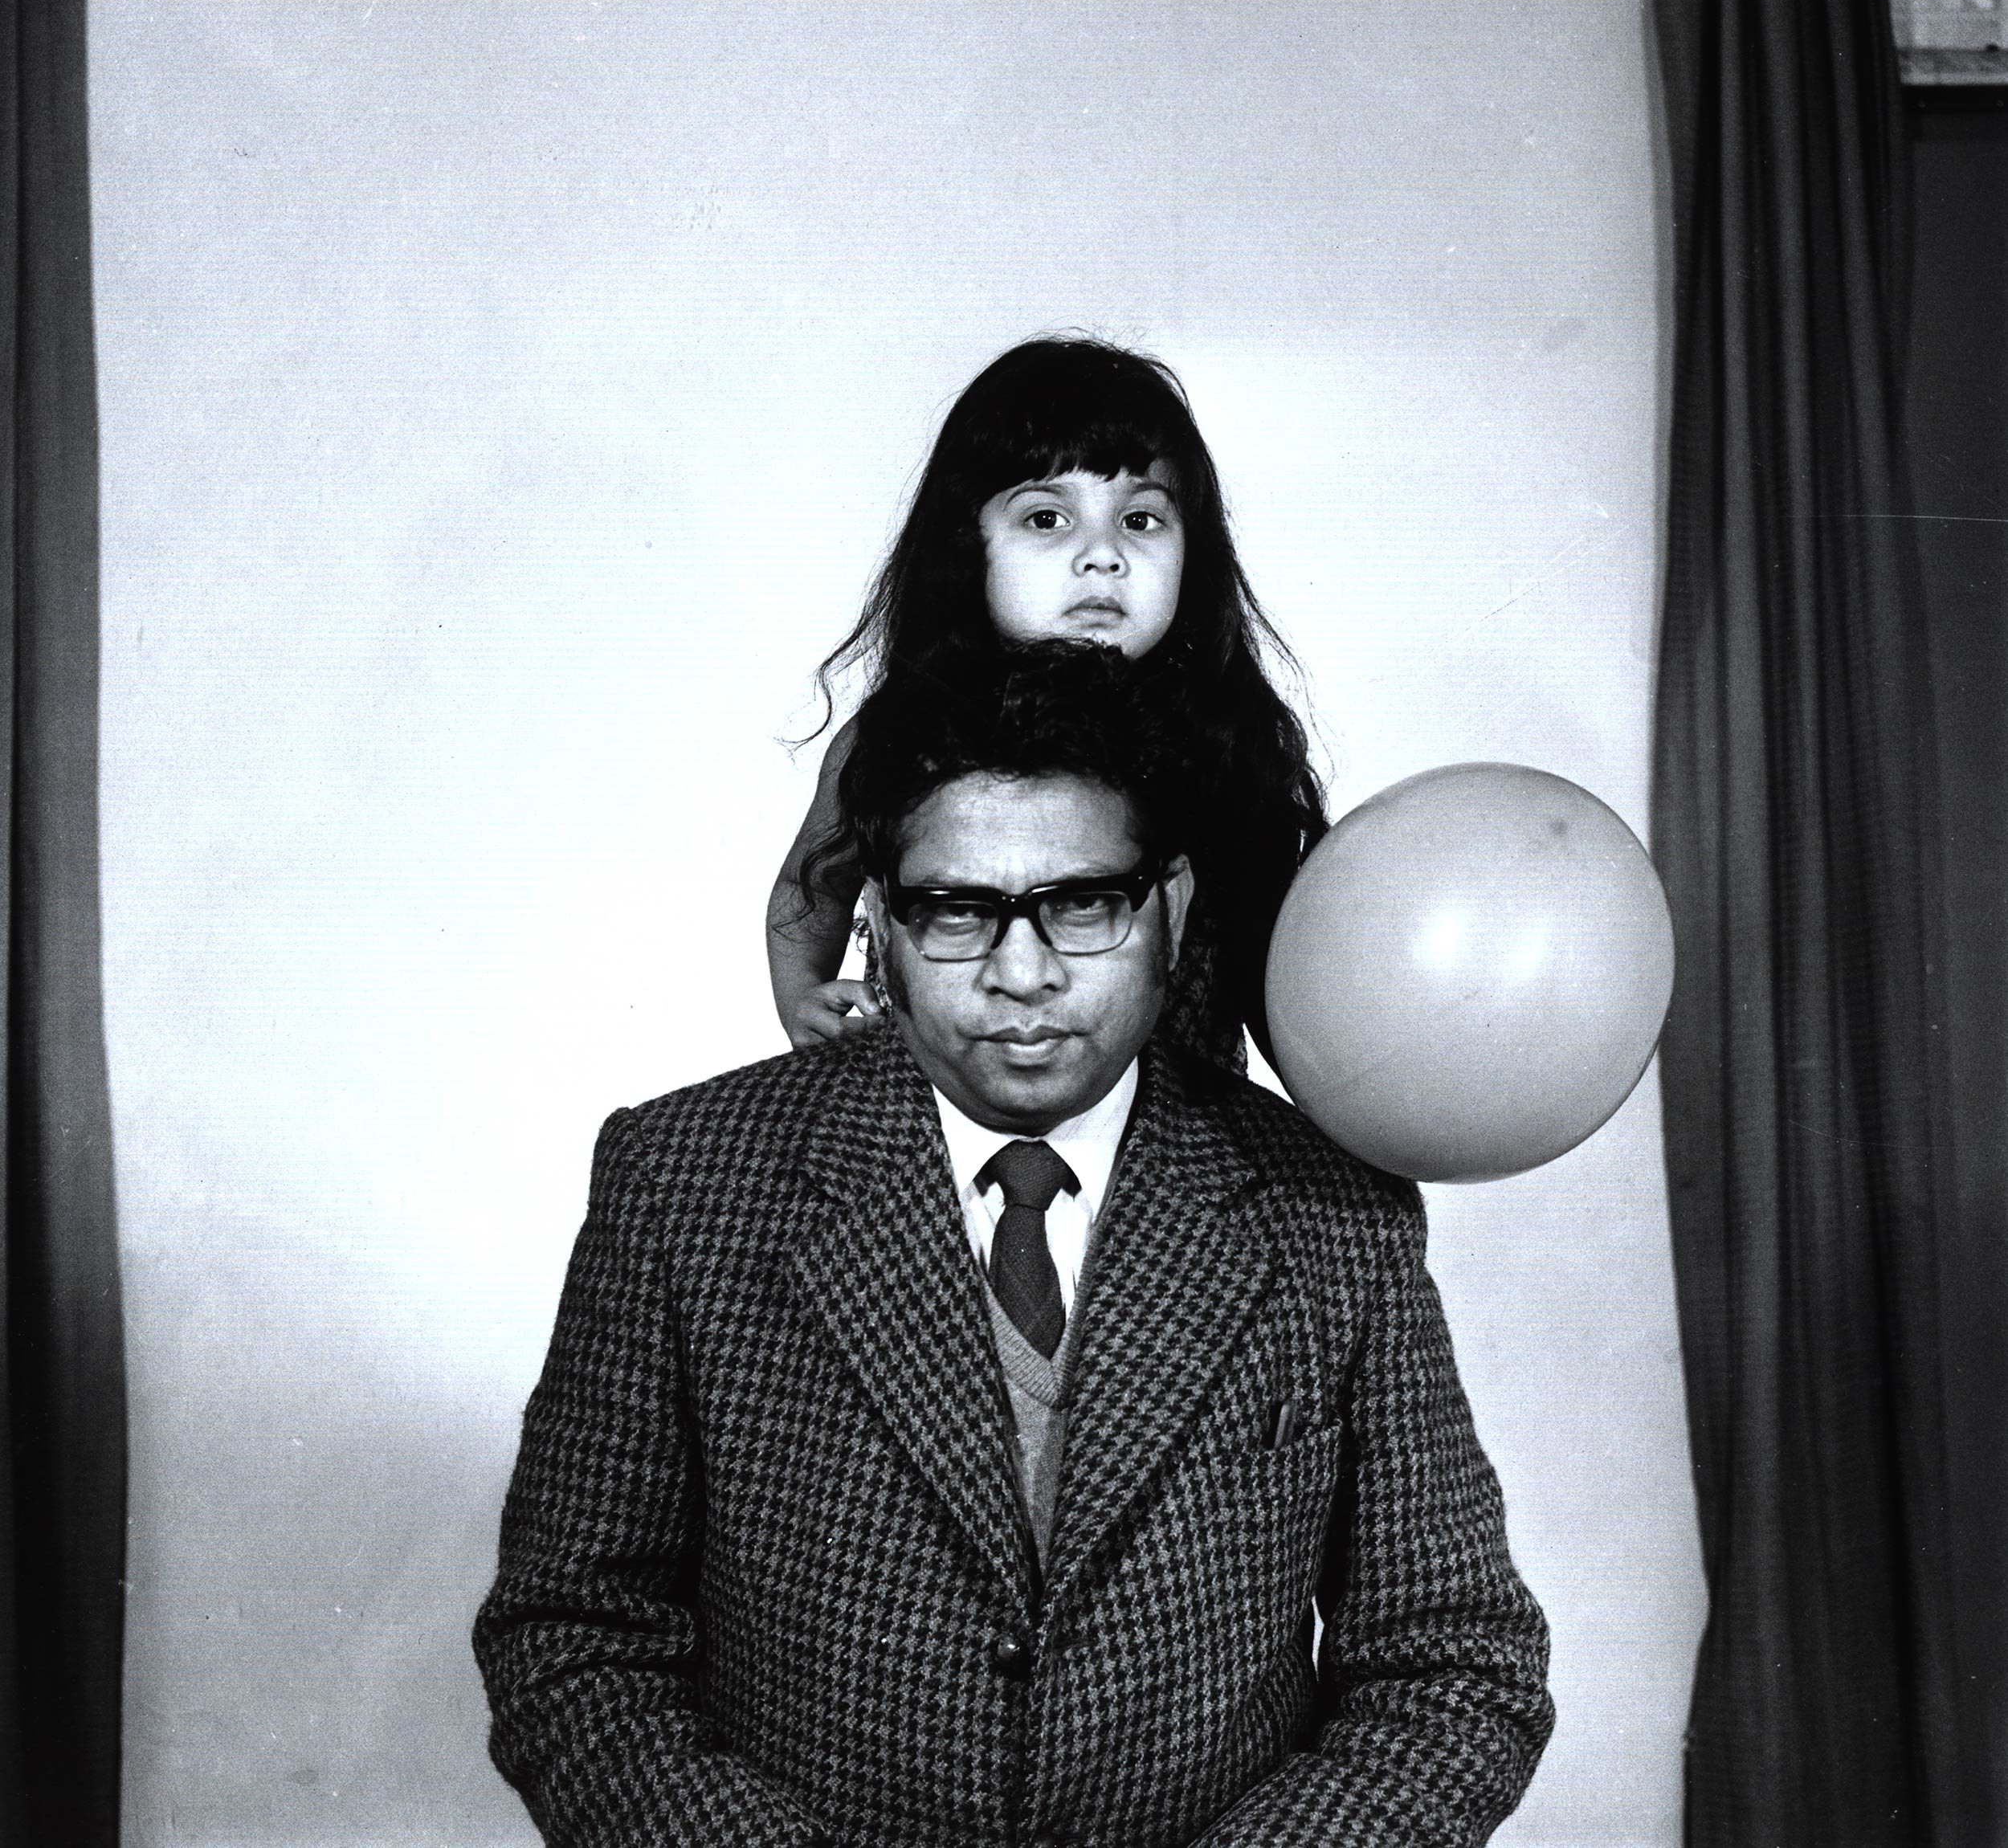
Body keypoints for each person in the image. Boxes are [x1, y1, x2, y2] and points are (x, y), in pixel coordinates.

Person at [475, 641, 1553, 1848]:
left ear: (1173, 907)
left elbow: (1455, 1667)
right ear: (879, 923)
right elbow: (572, 1644)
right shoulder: (683, 1182)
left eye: (1083, 904)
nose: (1022, 973)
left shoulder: (1330, 1215)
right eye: (955, 911)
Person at [767, 335, 1325, 1074]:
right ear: (969, 547)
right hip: (943, 1121)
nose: (1103, 555)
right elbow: (809, 885)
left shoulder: (1225, 743)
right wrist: (802, 996)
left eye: (1140, 519)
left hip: (1174, 1148)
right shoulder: (896, 737)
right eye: (1047, 519)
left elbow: (1280, 981)